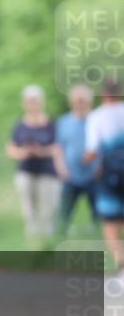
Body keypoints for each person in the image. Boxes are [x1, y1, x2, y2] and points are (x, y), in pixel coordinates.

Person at [6, 85, 60, 242]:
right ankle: (33, 242)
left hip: (47, 171)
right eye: (29, 101)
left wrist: (41, 151)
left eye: (35, 100)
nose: (32, 104)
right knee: (29, 210)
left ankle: (48, 242)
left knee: (48, 209)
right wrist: (24, 153)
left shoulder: (51, 124)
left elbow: (58, 148)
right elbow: (11, 149)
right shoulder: (19, 125)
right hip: (26, 170)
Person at [83, 78, 124, 282]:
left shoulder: (97, 117)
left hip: (110, 177)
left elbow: (92, 151)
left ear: (103, 94)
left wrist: (84, 161)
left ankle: (121, 263)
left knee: (110, 222)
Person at [53, 84, 99, 234]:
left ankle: (100, 239)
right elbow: (58, 148)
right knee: (64, 212)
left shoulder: (97, 120)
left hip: (94, 175)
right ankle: (59, 238)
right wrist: (61, 168)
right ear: (71, 102)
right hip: (70, 175)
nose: (81, 104)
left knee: (99, 212)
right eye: (78, 100)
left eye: (84, 100)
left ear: (90, 101)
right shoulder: (64, 122)